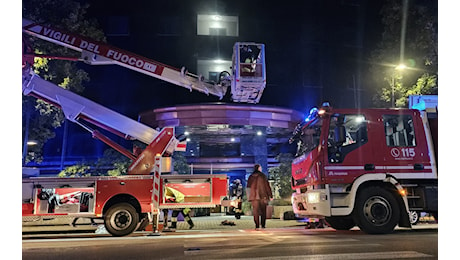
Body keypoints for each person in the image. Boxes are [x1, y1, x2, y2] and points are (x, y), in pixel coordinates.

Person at [246, 164, 273, 230]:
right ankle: (263, 225)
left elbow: (248, 187)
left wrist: (249, 197)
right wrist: (270, 195)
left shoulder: (250, 177)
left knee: (255, 211)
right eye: (260, 168)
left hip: (253, 197)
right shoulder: (263, 176)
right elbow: (267, 186)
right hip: (263, 196)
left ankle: (257, 225)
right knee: (263, 211)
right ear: (258, 168)